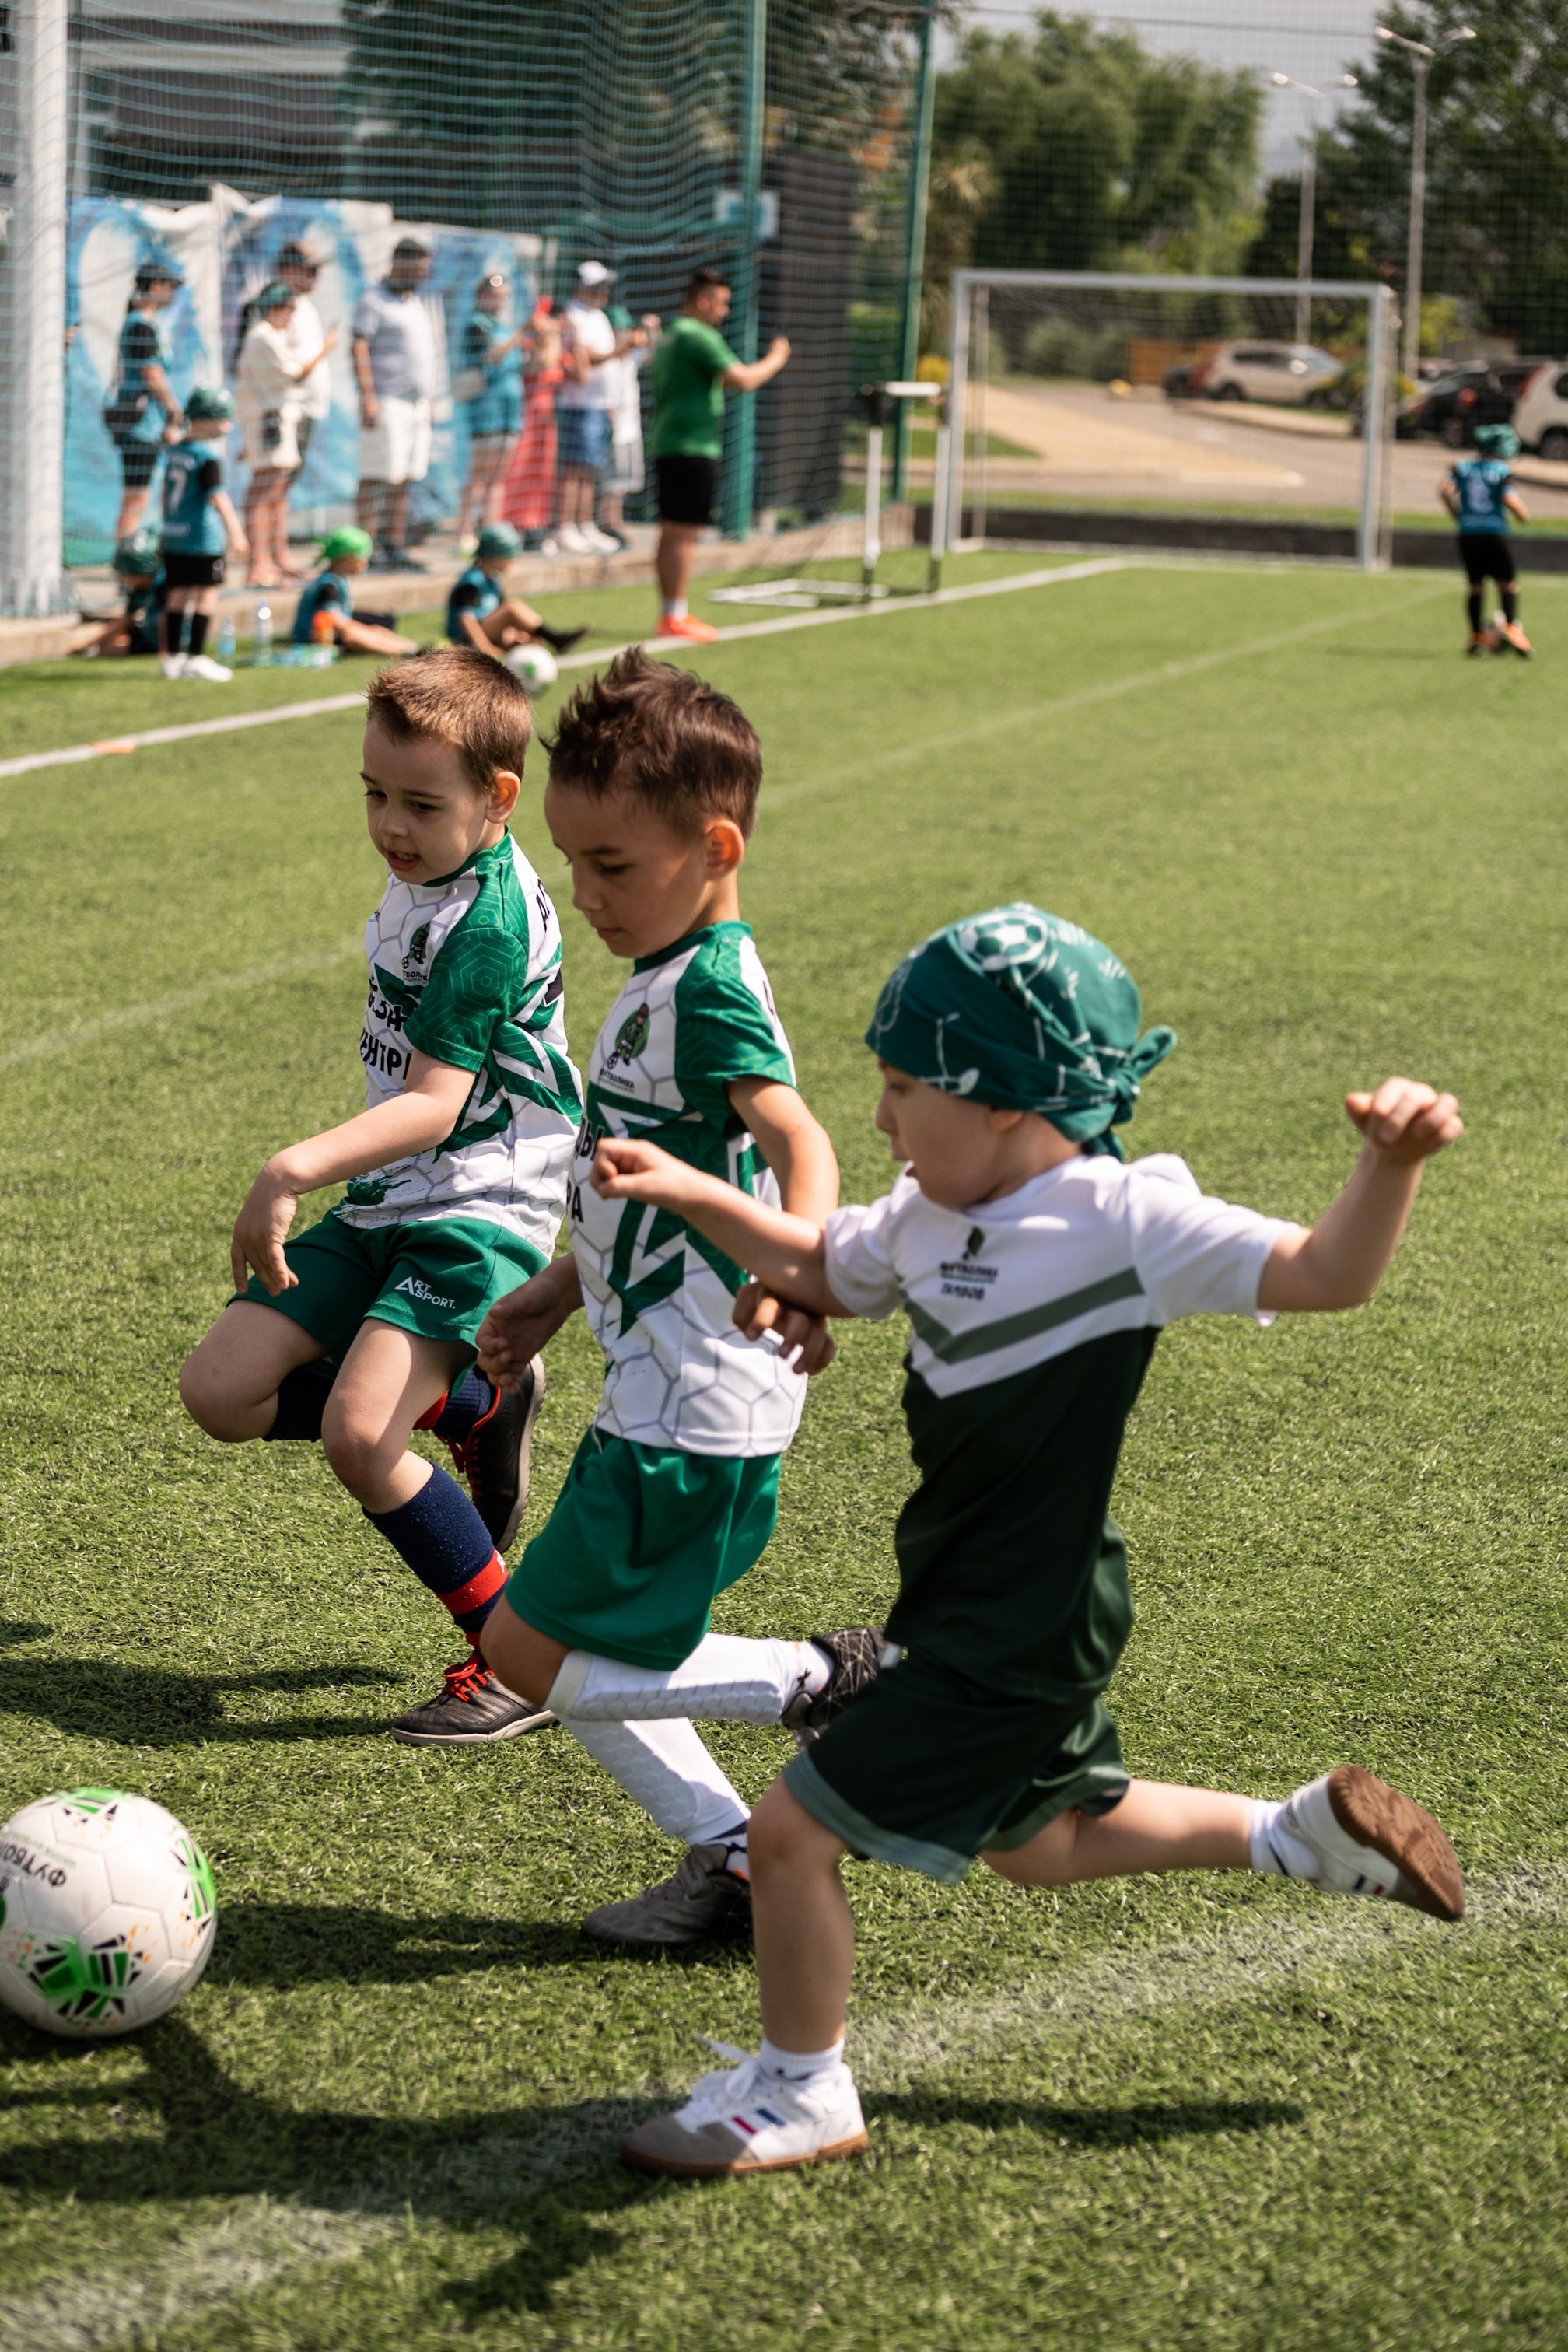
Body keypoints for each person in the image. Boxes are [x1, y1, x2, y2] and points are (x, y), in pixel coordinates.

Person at [576, 905, 1468, 2179]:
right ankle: (1296, 1831)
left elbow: (1327, 1271)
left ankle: (799, 2089)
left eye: (900, 1086)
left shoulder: (1121, 1219)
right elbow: (820, 1261)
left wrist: (1389, 1163)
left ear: (999, 1098)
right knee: (1037, 1842)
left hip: (1023, 1612)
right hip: (973, 1595)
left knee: (786, 1834)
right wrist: (696, 1191)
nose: (879, 1117)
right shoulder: (931, 1209)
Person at [470, 649, 856, 1889]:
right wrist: (548, 1297)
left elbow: (801, 1138)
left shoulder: (717, 987)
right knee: (576, 1658)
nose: (584, 891)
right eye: (573, 861)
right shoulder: (663, 978)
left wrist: (806, 1270)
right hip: (661, 1385)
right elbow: (640, 1185)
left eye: (614, 865)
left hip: (694, 1403)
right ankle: (733, 1861)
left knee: (529, 1654)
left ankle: (827, 1678)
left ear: (718, 847)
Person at [178, 649, 582, 1744]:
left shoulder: (487, 921)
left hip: (481, 1200)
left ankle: (520, 1661)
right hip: (398, 1197)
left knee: (361, 1437)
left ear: (498, 801)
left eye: (418, 804)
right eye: (374, 794)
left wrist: (290, 1166)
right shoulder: (431, 870)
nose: (390, 826)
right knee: (221, 1391)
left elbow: (438, 1106)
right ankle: (474, 1404)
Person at [647, 266, 790, 645]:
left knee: (672, 532)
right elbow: (742, 379)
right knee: (683, 534)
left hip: (669, 443)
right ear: (704, 300)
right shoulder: (697, 335)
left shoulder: (672, 333)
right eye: (723, 303)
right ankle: (675, 615)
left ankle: (670, 613)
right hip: (691, 447)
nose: (725, 312)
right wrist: (777, 357)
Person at [235, 283, 331, 588]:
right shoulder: (263, 335)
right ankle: (258, 563)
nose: (291, 318)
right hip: (269, 422)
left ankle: (271, 560)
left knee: (274, 491)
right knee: (264, 491)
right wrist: (327, 346)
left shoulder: (265, 335)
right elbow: (297, 371)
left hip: (276, 421)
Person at [352, 238, 436, 571]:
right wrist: (368, 397)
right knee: (377, 475)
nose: (420, 274)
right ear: (399, 262)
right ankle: (364, 545)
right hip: (387, 401)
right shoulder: (373, 299)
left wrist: (427, 401)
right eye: (416, 268)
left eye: (424, 269)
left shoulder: (414, 301)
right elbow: (359, 347)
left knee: (406, 477)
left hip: (416, 404)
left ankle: (393, 544)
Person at [555, 262, 648, 555]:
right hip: (577, 405)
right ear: (580, 286)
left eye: (605, 287)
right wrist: (625, 347)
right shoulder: (572, 315)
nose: (603, 293)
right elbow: (588, 359)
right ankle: (565, 527)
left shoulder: (598, 316)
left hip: (598, 407)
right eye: (597, 287)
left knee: (590, 470)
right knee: (574, 470)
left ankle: (585, 525)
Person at [159, 387, 247, 683]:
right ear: (207, 419)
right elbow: (218, 497)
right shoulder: (206, 457)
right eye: (224, 419)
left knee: (176, 596)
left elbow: (164, 493)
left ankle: (171, 658)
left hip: (174, 536)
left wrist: (165, 526)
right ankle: (195, 657)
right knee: (206, 596)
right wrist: (236, 533)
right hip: (202, 539)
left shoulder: (176, 452)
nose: (228, 426)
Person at [104, 260, 184, 544]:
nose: (173, 293)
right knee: (135, 495)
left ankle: (130, 556)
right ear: (154, 287)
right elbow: (151, 373)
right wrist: (174, 409)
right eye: (169, 286)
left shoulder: (147, 323)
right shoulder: (139, 326)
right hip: (139, 424)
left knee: (141, 494)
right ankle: (127, 562)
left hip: (148, 425)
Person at [1442, 422, 1531, 656]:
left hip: (1468, 534)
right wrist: (1523, 516)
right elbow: (1509, 499)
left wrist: (1457, 513)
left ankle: (1477, 636)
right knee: (1507, 584)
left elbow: (1444, 490)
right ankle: (1512, 629)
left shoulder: (1461, 466)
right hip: (1493, 533)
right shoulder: (1501, 471)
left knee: (1475, 586)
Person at [446, 523, 587, 661]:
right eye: (509, 557)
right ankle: (556, 638)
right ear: (495, 557)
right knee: (512, 607)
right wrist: (485, 647)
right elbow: (466, 620)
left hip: (487, 630)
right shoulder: (472, 581)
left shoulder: (494, 580)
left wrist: (515, 635)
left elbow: (497, 614)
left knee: (529, 640)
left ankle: (550, 639)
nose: (512, 562)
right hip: (466, 639)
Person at [457, 274, 528, 544]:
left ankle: (491, 533)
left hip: (510, 410)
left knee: (498, 477)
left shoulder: (505, 326)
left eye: (503, 296)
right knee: (479, 473)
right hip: (486, 410)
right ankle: (464, 533)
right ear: (481, 295)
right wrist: (524, 332)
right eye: (494, 295)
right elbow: (492, 356)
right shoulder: (477, 324)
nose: (499, 301)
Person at [290, 525, 418, 656]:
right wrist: (366, 631)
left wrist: (370, 630)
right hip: (314, 639)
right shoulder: (327, 586)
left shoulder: (337, 579)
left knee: (378, 629)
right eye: (363, 560)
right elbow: (338, 622)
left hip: (330, 633)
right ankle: (403, 652)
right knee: (353, 636)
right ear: (348, 560)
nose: (366, 564)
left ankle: (415, 648)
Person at [501, 299, 565, 552]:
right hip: (527, 417)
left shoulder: (554, 340)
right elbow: (543, 362)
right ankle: (513, 523)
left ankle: (534, 523)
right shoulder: (527, 343)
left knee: (542, 473)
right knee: (519, 470)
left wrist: (556, 335)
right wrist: (547, 336)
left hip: (546, 420)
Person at [597, 298, 660, 550]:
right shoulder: (609, 358)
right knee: (610, 482)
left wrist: (653, 330)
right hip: (612, 431)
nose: (625, 334)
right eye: (619, 329)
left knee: (624, 482)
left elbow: (651, 354)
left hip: (630, 430)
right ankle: (607, 523)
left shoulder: (630, 358)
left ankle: (616, 522)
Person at [274, 240, 338, 475]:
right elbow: (290, 369)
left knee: (286, 481)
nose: (316, 276)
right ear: (289, 270)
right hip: (289, 409)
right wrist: (328, 346)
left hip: (305, 409)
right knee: (275, 482)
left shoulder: (303, 304)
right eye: (310, 269)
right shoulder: (277, 307)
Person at [71, 527, 165, 659]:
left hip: (163, 640)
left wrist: (164, 650)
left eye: (126, 574)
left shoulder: (163, 586)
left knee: (113, 650)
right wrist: (93, 645)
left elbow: (166, 620)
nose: (122, 578)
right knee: (111, 646)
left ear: (143, 573)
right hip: (149, 634)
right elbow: (125, 620)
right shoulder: (140, 589)